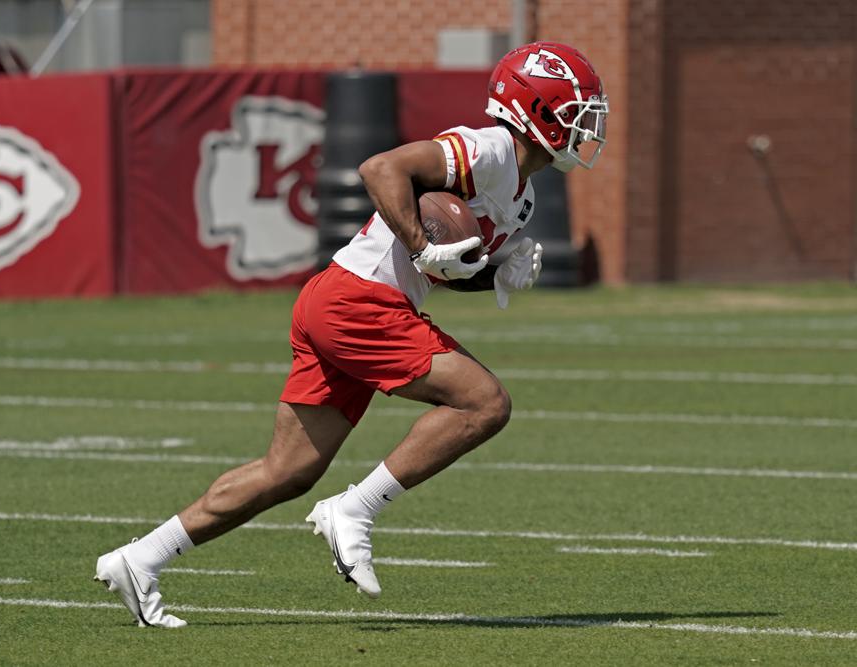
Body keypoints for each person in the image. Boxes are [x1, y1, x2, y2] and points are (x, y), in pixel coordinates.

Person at [95, 41, 608, 628]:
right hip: (360, 301)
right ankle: (355, 511)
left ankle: (140, 559)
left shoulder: (523, 194)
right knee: (484, 403)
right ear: (536, 108)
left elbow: (442, 268)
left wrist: (492, 272)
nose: (586, 127)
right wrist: (423, 244)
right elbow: (380, 168)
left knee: (285, 472)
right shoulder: (489, 148)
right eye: (577, 111)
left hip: (343, 297)